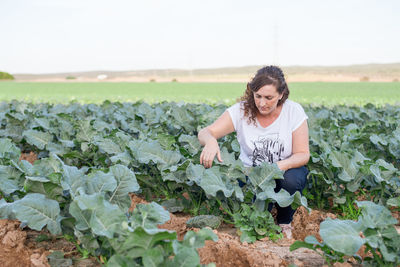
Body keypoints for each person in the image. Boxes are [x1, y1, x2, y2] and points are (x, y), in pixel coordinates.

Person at [197, 65, 309, 239]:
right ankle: (262, 216)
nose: (262, 103)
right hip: (251, 175)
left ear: (281, 95)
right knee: (248, 205)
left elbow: (303, 154)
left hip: (284, 171)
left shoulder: (293, 111)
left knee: (292, 181)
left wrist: (276, 167)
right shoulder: (241, 111)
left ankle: (284, 221)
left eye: (269, 97)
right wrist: (210, 141)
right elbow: (205, 132)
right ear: (252, 92)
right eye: (258, 96)